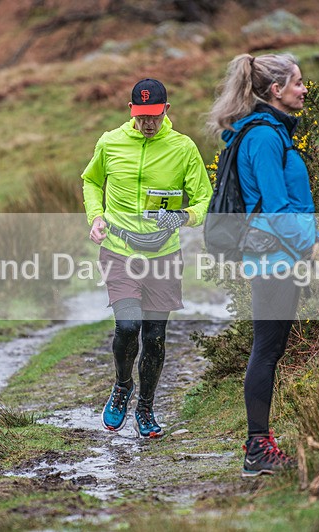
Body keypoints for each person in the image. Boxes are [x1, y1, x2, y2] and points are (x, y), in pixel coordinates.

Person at [82, 78, 212, 438]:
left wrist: (184, 216)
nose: (148, 123)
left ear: (166, 110)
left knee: (155, 336)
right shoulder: (110, 142)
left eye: (154, 115)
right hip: (119, 250)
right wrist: (96, 216)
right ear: (131, 111)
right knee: (127, 327)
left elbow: (204, 198)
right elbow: (91, 181)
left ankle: (145, 408)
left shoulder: (183, 148)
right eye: (141, 116)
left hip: (163, 255)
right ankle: (123, 386)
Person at [207, 53, 318, 476]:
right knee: (267, 350)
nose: (304, 90)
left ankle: (259, 445)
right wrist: (312, 248)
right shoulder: (265, 137)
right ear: (276, 89)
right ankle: (257, 447)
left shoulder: (266, 132)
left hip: (278, 255)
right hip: (276, 258)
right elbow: (277, 207)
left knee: (269, 349)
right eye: (297, 82)